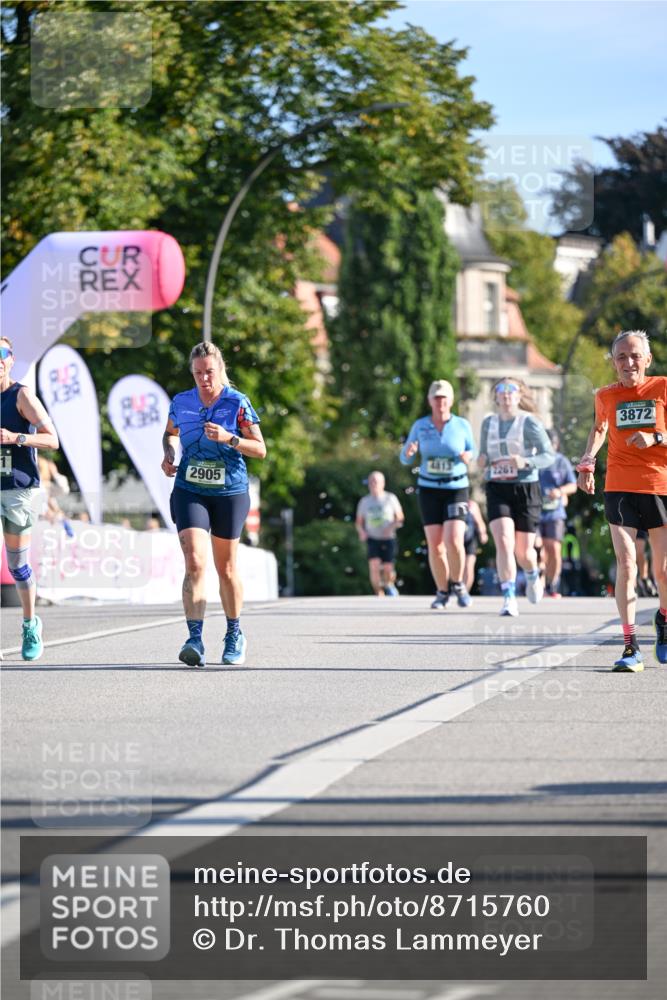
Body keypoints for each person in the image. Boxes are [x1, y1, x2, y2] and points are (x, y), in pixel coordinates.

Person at [161, 341, 266, 667]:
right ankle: (194, 638)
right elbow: (170, 433)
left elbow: (260, 449)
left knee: (227, 568)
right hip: (190, 488)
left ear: (220, 370)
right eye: (198, 373)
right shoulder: (182, 402)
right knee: (194, 562)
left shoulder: (237, 403)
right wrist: (168, 453)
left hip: (229, 492)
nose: (204, 379)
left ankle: (234, 632)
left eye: (209, 372)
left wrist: (229, 438)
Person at [577, 330, 667, 672]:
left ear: (647, 359)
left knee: (662, 571)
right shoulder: (605, 396)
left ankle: (663, 619)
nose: (628, 363)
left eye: (634, 356)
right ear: (614, 363)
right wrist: (587, 461)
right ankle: (631, 646)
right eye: (621, 357)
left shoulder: (662, 388)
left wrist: (656, 436)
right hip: (619, 485)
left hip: (659, 484)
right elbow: (599, 429)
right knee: (627, 564)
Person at [0, 336, 60, 660]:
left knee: (17, 565)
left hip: (20, 489)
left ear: (10, 360)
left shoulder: (21, 396)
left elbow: (53, 440)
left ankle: (29, 623)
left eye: (2, 353)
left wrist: (16, 437)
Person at [478, 377, 554, 617]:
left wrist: (526, 461)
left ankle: (532, 574)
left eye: (512, 390)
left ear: (519, 395)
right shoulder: (487, 423)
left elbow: (548, 455)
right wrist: (481, 460)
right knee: (503, 542)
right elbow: (482, 455)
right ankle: (509, 597)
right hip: (497, 487)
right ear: (496, 396)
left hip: (525, 489)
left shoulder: (529, 423)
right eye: (501, 389)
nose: (507, 394)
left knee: (524, 552)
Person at [400, 380, 475, 609]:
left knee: (453, 539)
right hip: (429, 489)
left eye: (444, 398)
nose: (440, 402)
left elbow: (473, 449)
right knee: (435, 545)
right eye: (436, 398)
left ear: (451, 401)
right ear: (430, 401)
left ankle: (458, 583)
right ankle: (442, 592)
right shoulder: (420, 426)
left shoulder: (461, 425)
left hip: (456, 487)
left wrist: (468, 457)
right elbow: (405, 458)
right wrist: (408, 452)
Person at [538, 429, 577, 598]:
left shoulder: (562, 462)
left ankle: (552, 584)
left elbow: (573, 485)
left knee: (553, 548)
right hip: (535, 512)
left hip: (555, 512)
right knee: (538, 548)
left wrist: (560, 492)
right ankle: (537, 582)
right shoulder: (535, 461)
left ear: (556, 445)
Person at [355, 471, 404, 596]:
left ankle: (388, 584)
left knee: (388, 568)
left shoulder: (390, 498)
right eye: (371, 481)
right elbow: (359, 522)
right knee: (374, 566)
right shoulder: (364, 501)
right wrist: (362, 532)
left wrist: (390, 528)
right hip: (372, 538)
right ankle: (379, 593)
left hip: (388, 538)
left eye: (376, 481)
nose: (373, 484)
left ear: (383, 483)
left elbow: (400, 518)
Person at [463, 498, 488, 592]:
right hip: (456, 540)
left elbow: (479, 521)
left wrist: (483, 533)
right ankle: (457, 587)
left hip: (470, 539)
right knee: (457, 565)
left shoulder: (472, 504)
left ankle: (465, 591)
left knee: (468, 566)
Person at [635, 529, 658, 597]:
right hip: (638, 521)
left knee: (657, 551)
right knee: (639, 552)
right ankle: (644, 579)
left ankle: (655, 580)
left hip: (654, 520)